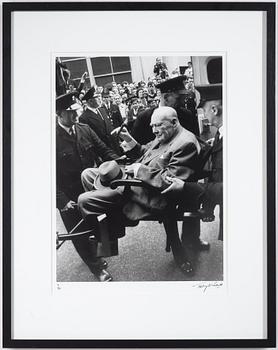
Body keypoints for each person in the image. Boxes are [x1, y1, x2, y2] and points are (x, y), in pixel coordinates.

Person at [78, 106, 203, 274]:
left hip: (147, 194)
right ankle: (110, 220)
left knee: (84, 200)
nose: (153, 130)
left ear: (173, 122)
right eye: (152, 126)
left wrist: (139, 171)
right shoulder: (168, 133)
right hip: (136, 182)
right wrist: (130, 141)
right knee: (88, 174)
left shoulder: (185, 143)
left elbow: (170, 182)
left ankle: (108, 238)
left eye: (157, 125)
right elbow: (149, 154)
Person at [56, 92, 120, 281]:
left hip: (90, 188)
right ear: (59, 114)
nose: (75, 116)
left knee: (99, 224)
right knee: (79, 234)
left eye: (76, 111)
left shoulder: (84, 129)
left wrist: (121, 164)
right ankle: (96, 268)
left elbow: (104, 150)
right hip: (69, 196)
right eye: (70, 113)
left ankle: (99, 255)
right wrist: (62, 200)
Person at [162, 84, 223, 240]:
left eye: (205, 110)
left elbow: (226, 184)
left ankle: (190, 241)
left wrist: (186, 186)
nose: (205, 117)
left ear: (215, 110)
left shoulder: (226, 135)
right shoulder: (221, 134)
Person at [79, 87, 121, 154]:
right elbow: (89, 138)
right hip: (102, 150)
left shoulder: (102, 110)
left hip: (114, 146)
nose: (100, 99)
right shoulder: (84, 117)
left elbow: (109, 126)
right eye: (97, 98)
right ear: (90, 101)